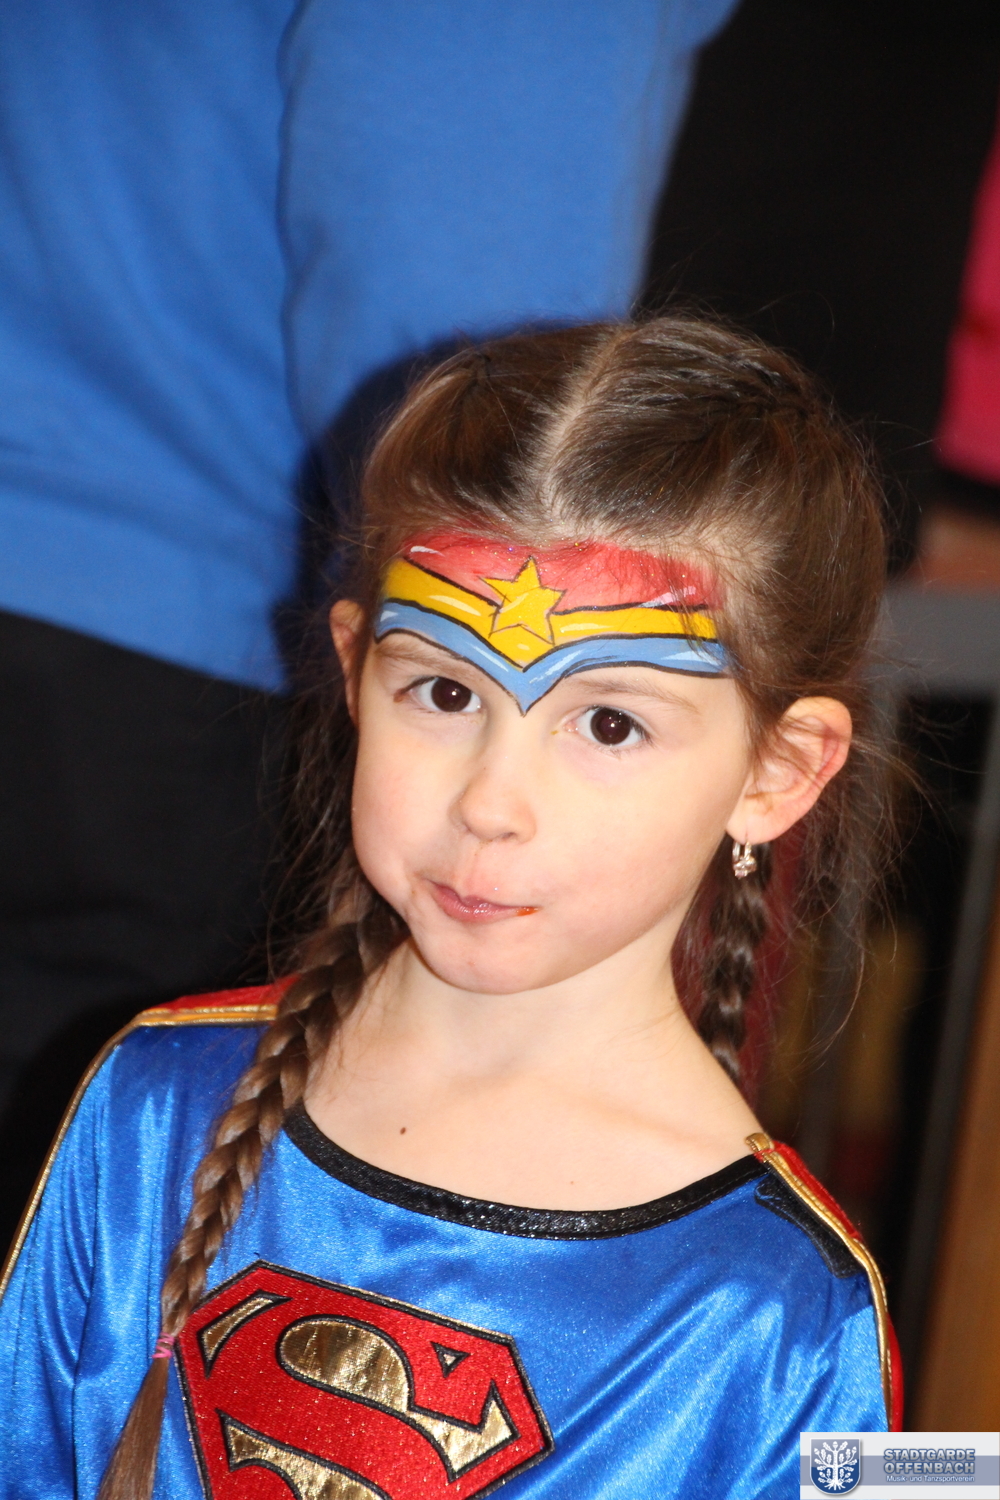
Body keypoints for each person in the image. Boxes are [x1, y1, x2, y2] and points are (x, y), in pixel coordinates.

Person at [0, 316, 901, 1500]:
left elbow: (927, 1475)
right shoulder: (150, 1104)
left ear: (776, 771)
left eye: (609, 725)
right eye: (441, 692)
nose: (489, 803)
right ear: (352, 669)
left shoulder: (796, 1312)